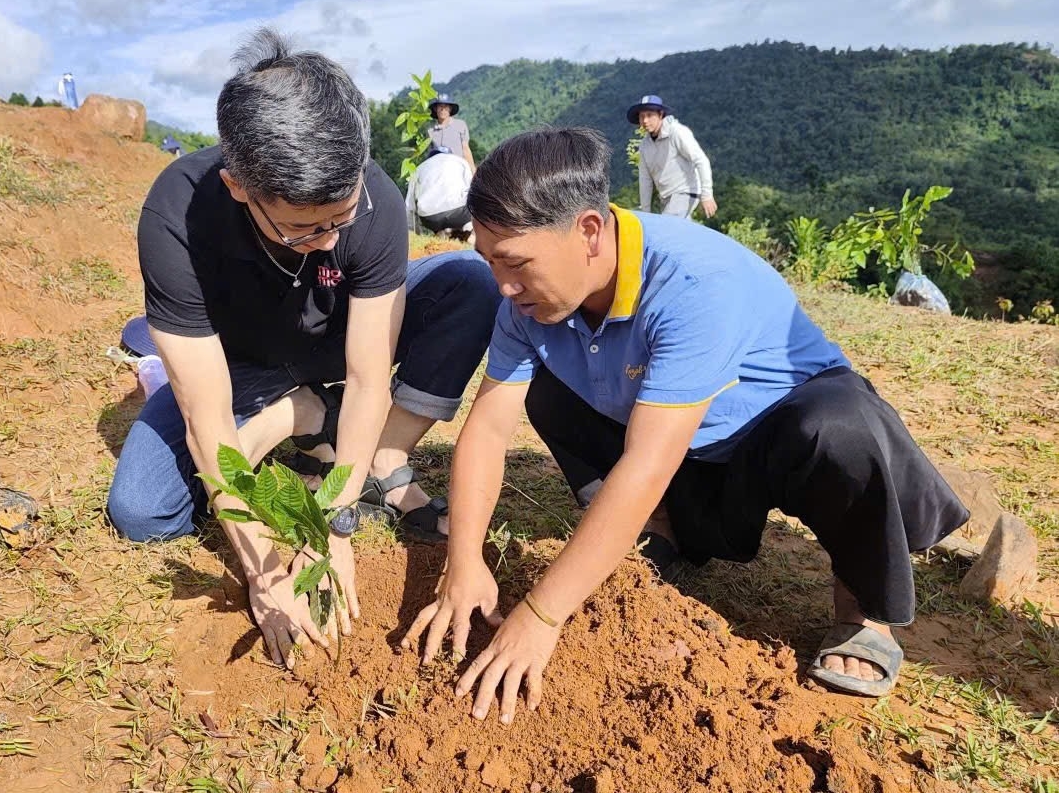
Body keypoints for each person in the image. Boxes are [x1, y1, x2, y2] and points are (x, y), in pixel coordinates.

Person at [404, 127, 969, 721]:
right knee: (546, 390)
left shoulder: (690, 284)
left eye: (516, 264)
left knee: (839, 429)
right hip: (678, 440)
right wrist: (463, 561)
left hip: (771, 428)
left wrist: (541, 616)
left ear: (589, 231)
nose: (504, 286)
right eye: (490, 262)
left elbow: (647, 463)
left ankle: (862, 609)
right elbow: (490, 427)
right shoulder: (528, 303)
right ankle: (665, 529)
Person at [107, 28, 500, 670]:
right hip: (243, 369)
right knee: (143, 510)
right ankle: (303, 413)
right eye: (302, 228)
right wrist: (265, 570)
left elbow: (370, 375)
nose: (326, 240)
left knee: (468, 283)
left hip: (338, 343)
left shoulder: (367, 201)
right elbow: (206, 414)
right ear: (241, 188)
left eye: (338, 220)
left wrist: (335, 525)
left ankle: (363, 449)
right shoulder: (176, 217)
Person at [629, 94, 717, 219]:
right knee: (680, 234)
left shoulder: (676, 132)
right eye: (642, 116)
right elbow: (645, 179)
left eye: (650, 115)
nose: (645, 121)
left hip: (685, 191)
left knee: (666, 228)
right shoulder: (645, 146)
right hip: (665, 198)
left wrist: (707, 195)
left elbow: (701, 160)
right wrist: (645, 212)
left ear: (660, 115)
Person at [405, 145, 474, 242]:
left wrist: (414, 234)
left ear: (430, 157)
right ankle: (467, 232)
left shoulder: (419, 169)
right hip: (459, 212)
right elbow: (474, 190)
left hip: (431, 217)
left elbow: (410, 207)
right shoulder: (460, 162)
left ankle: (440, 234)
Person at [427, 93, 475, 172]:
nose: (443, 110)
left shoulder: (460, 125)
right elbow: (429, 154)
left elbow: (466, 149)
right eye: (440, 107)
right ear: (435, 109)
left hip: (458, 168)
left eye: (446, 107)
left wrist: (473, 170)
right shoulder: (430, 131)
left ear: (450, 109)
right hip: (437, 170)